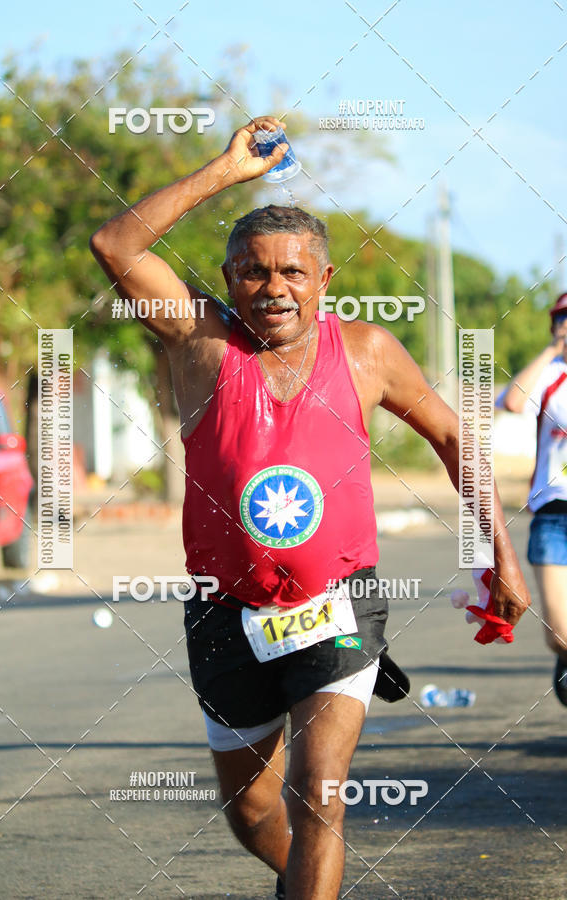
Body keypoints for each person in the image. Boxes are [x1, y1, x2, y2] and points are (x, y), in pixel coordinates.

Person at [90, 115, 530, 900]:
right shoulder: (201, 343)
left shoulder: (365, 353)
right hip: (224, 611)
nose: (274, 288)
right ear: (229, 281)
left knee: (319, 793)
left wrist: (499, 553)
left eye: (294, 272)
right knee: (254, 813)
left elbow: (456, 439)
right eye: (254, 272)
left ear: (324, 281)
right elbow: (116, 247)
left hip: (340, 606)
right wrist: (227, 171)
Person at [502, 294, 567, 706]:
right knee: (561, 633)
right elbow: (511, 401)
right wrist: (552, 348)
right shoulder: (551, 375)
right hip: (555, 515)